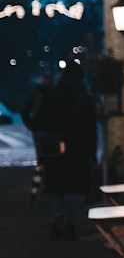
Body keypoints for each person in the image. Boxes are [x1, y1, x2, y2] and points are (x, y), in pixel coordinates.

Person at [33, 62, 98, 240]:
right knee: (74, 187)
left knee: (56, 185)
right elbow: (91, 128)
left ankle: (58, 216)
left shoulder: (52, 95)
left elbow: (39, 121)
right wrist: (92, 152)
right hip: (78, 148)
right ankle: (72, 222)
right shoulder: (84, 97)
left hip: (54, 148)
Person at [20, 73, 55, 202]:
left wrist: (31, 124)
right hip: (52, 130)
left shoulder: (36, 95)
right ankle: (51, 184)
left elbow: (24, 110)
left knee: (41, 158)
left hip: (39, 129)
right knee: (54, 157)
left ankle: (42, 184)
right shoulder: (54, 95)